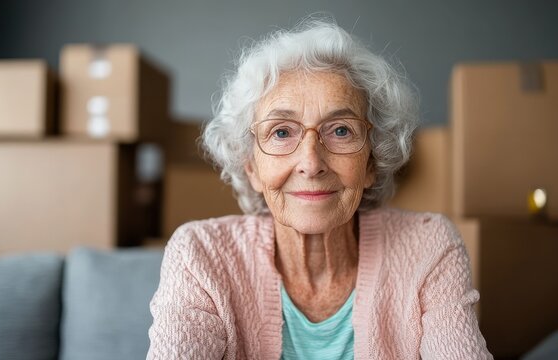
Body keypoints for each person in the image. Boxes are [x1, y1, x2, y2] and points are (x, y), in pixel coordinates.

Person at [147, 17, 492, 360]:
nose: (311, 163)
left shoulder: (429, 248)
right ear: (250, 166)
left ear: (371, 162)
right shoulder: (201, 256)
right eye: (282, 132)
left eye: (340, 130)